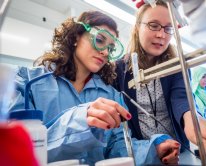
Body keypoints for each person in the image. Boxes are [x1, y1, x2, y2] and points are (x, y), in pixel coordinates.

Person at [8, 11, 180, 165]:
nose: (105, 52)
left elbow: (118, 147)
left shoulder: (112, 94)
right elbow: (14, 149)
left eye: (111, 48)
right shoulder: (27, 82)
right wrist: (80, 120)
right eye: (99, 40)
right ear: (76, 37)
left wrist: (153, 149)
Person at [114, 0, 206, 156]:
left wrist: (194, 121)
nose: (161, 35)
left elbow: (182, 101)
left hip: (178, 153)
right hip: (140, 155)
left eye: (168, 28)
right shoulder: (118, 71)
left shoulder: (177, 67)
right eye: (153, 25)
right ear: (138, 27)